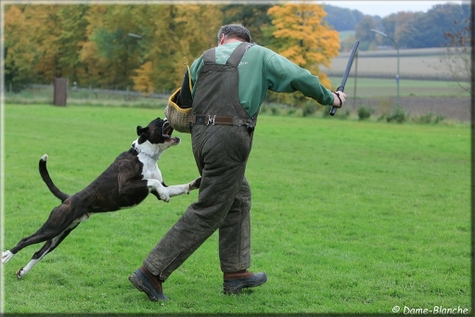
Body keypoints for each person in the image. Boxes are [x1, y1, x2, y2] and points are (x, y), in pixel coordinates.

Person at [128, 23, 346, 301]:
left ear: (222, 38)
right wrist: (332, 98)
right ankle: (151, 272)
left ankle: (236, 273)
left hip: (200, 139)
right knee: (210, 208)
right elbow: (299, 77)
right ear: (246, 41)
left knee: (238, 196)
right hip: (230, 139)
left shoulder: (201, 60)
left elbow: (183, 103)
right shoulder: (260, 55)